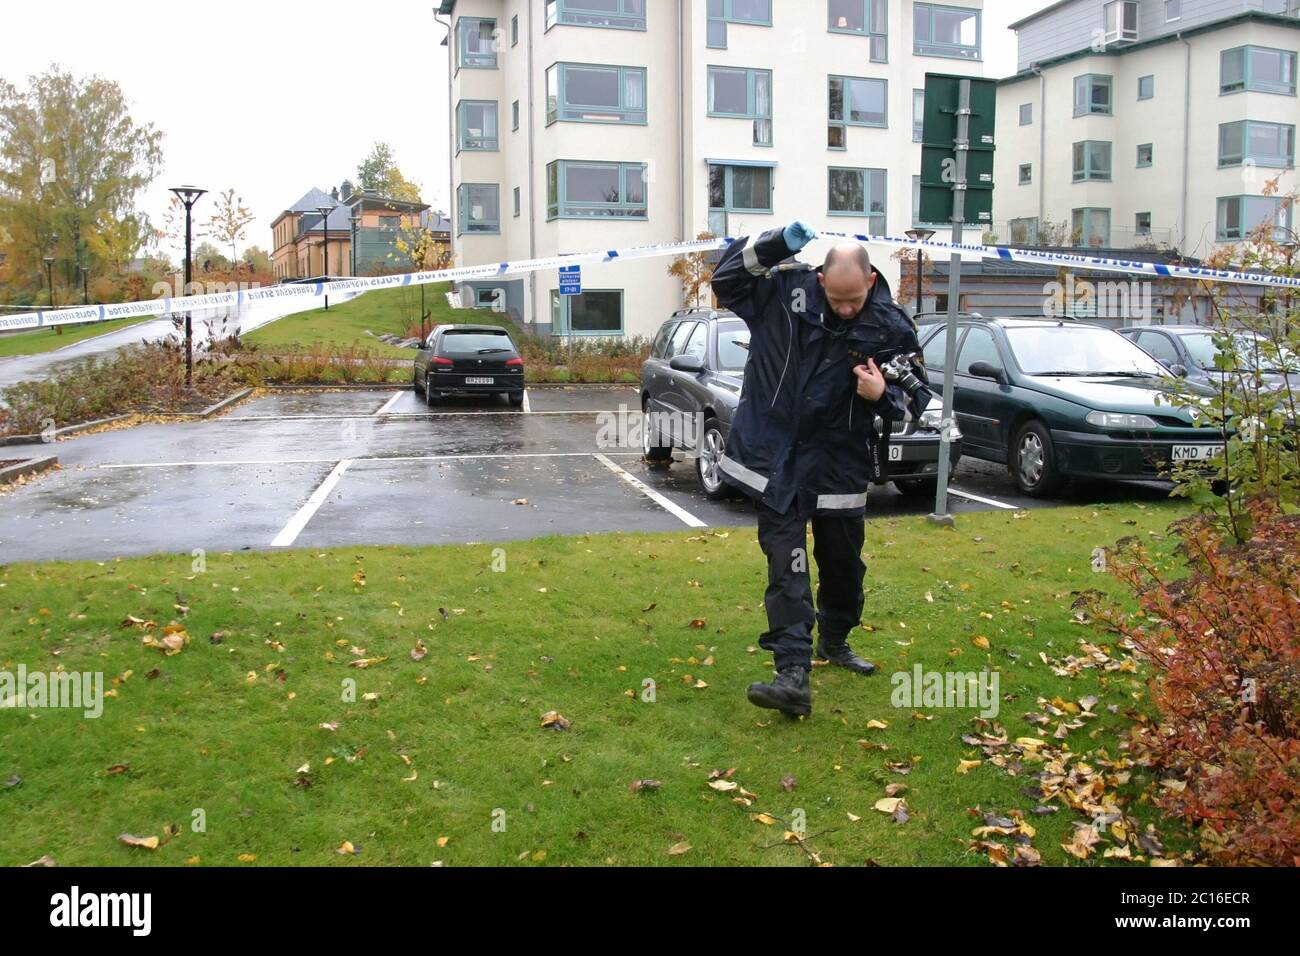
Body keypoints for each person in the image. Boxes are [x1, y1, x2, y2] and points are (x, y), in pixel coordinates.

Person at [710, 221, 931, 718]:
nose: (845, 309)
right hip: (776, 460)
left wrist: (883, 397)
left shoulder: (891, 326)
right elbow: (725, 280)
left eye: (853, 300)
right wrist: (776, 243)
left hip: (839, 464)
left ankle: (835, 638)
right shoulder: (783, 294)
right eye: (836, 299)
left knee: (843, 565)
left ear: (870, 282)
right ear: (820, 279)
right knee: (786, 565)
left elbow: (917, 397)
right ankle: (791, 672)